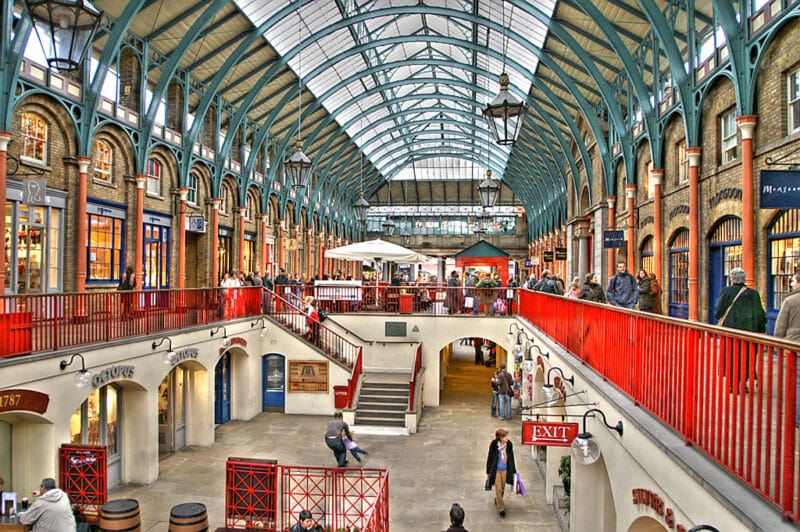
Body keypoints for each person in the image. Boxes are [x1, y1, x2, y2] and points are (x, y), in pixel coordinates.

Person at [714, 267, 766, 391]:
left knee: (731, 356)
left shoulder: (726, 292)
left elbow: (718, 312)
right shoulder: (753, 294)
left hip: (730, 331)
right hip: (749, 331)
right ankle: (743, 382)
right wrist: (760, 329)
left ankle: (733, 383)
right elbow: (760, 314)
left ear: (731, 279)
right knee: (747, 357)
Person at [774, 271, 800, 426]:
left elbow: (780, 327)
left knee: (796, 382)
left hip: (794, 345)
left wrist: (778, 344)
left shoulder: (790, 301)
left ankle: (797, 417)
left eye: (793, 281)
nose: (791, 284)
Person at [485, 428, 516, 518]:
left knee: (502, 488)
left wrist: (513, 471)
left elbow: (512, 458)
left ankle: (498, 500)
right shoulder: (494, 445)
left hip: (505, 469)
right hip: (497, 470)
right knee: (498, 488)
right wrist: (488, 470)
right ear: (501, 438)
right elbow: (490, 457)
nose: (507, 438)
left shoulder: (509, 445)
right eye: (505, 436)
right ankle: (501, 508)